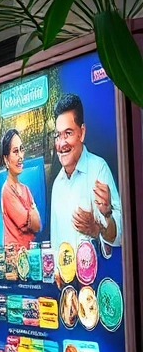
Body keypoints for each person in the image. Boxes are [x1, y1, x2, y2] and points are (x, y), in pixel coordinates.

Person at [49, 93, 122, 258]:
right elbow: (55, 245)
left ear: (81, 133)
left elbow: (121, 235)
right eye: (58, 135)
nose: (61, 143)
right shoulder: (57, 184)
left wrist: (99, 225)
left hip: (98, 272)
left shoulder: (99, 169)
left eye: (68, 133)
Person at [0, 129, 41, 250]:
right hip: (15, 258)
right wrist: (31, 212)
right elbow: (28, 225)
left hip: (30, 254)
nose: (21, 156)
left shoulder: (26, 189)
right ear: (6, 159)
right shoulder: (7, 190)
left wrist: (32, 218)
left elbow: (37, 226)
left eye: (21, 150)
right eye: (15, 151)